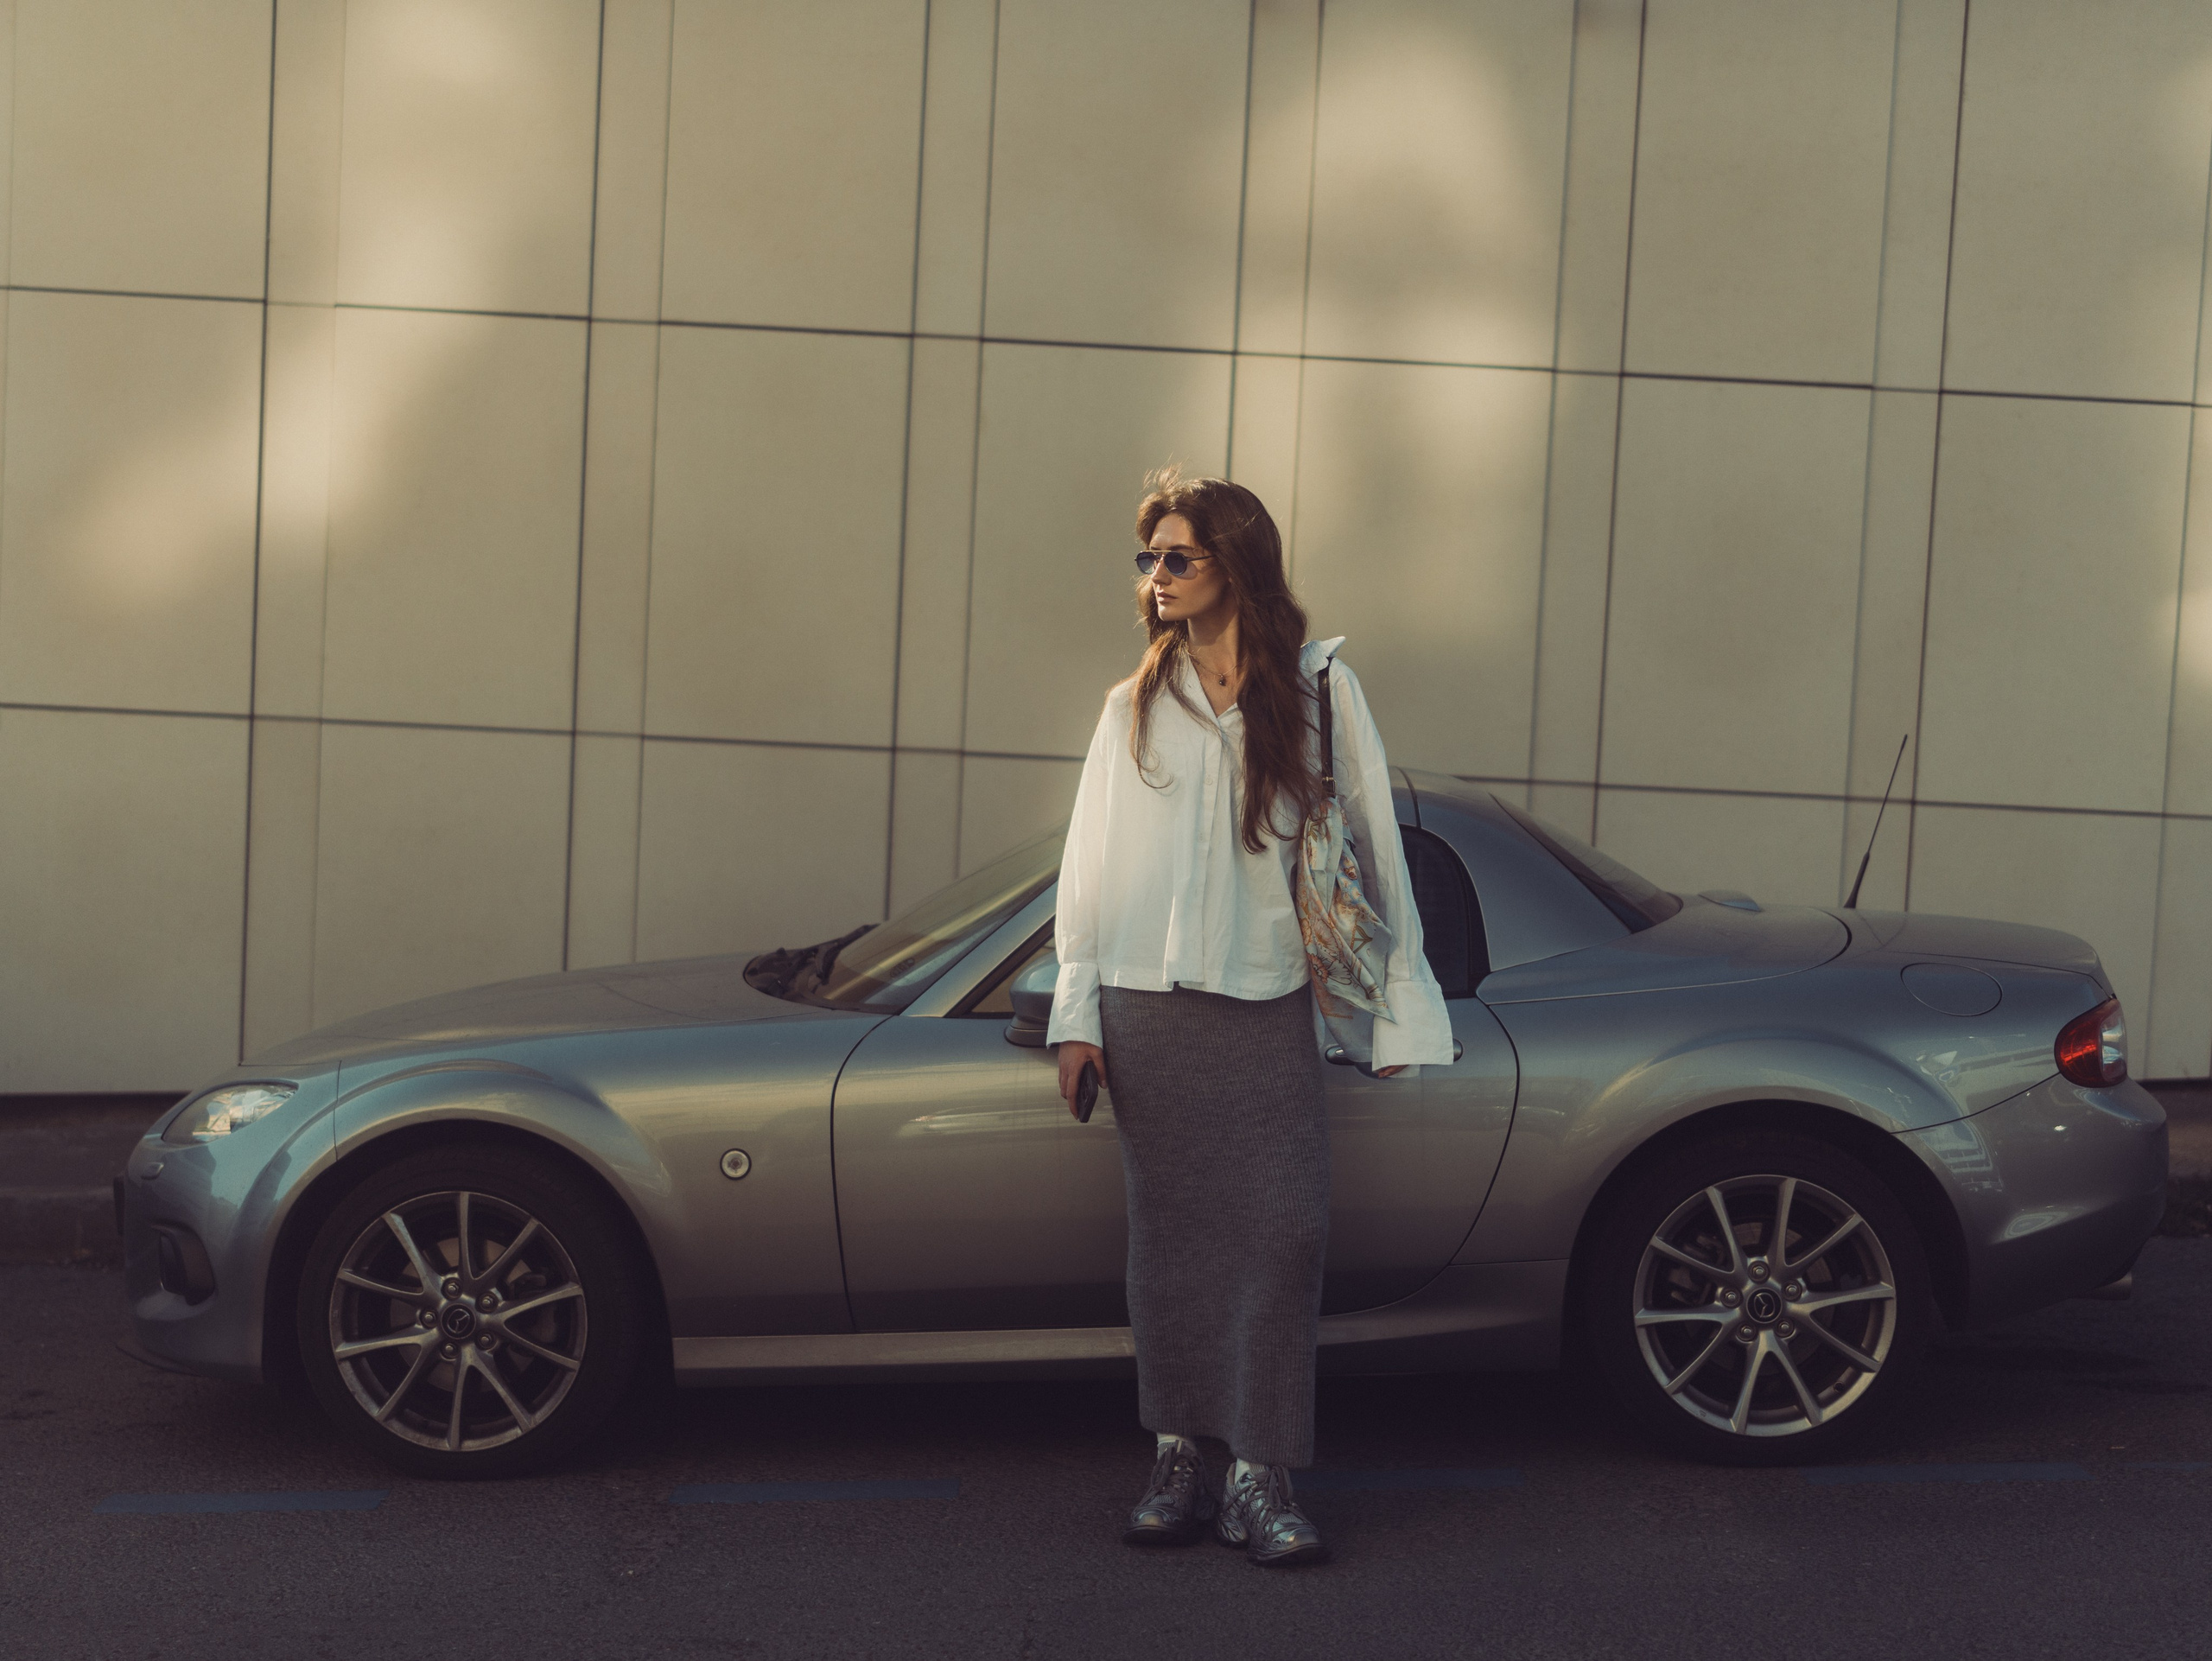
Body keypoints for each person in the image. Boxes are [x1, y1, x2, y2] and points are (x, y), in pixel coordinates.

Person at [1045, 468, 1455, 1567]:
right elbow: (1084, 872)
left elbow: (1372, 846)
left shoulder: (1321, 692)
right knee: (1170, 1244)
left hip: (1266, 997)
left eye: (1178, 556)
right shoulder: (1130, 706)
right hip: (1146, 1005)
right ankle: (1181, 1456)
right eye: (1149, 559)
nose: (1158, 577)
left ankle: (1260, 1475)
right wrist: (1076, 1015)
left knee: (1283, 1233)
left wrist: (1399, 1014)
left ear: (1238, 562)